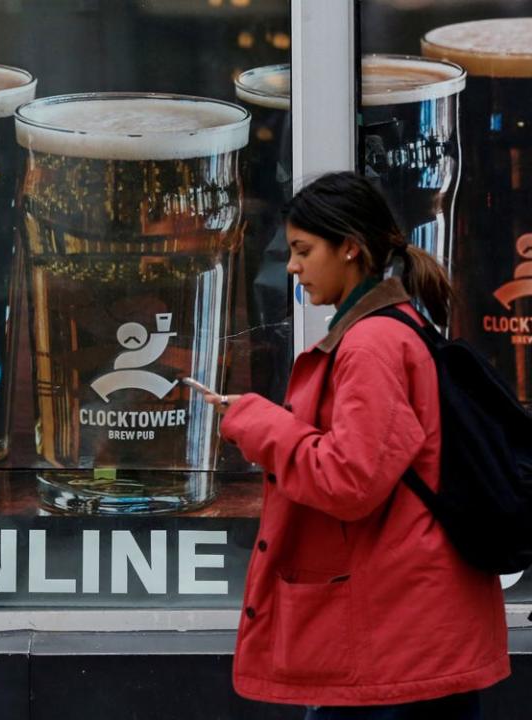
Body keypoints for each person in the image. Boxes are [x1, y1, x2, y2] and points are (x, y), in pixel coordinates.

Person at [204, 172, 509, 719]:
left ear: (350, 248)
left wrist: (254, 420)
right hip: (414, 626)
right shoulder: (399, 326)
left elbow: (350, 481)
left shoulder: (371, 343)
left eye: (303, 249)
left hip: (395, 639)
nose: (292, 266)